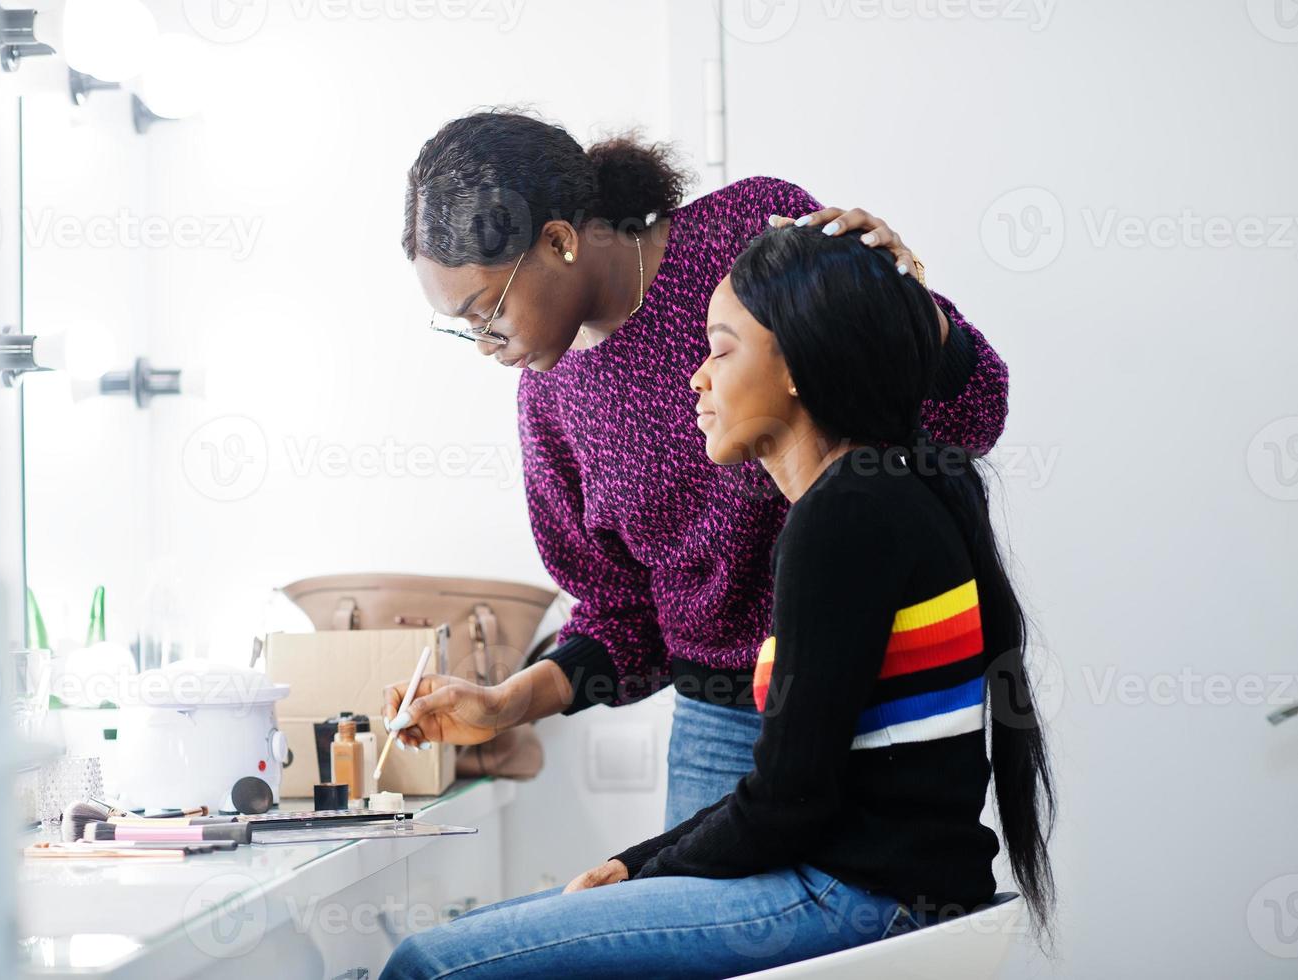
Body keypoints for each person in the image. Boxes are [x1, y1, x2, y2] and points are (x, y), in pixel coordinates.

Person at [379, 223, 1054, 980]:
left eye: (720, 349)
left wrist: (644, 868)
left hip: (858, 894)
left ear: (797, 363)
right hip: (866, 881)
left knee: (425, 964)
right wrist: (634, 862)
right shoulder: (881, 492)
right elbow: (786, 787)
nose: (694, 379)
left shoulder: (845, 515)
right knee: (472, 942)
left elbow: (787, 803)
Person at [391, 109, 1010, 827]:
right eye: (460, 328)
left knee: (865, 925)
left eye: (484, 312)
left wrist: (913, 308)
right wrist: (507, 704)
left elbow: (972, 416)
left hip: (884, 694)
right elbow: (625, 619)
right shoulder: (549, 400)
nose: (483, 345)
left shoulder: (744, 233)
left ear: (558, 241)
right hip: (723, 727)